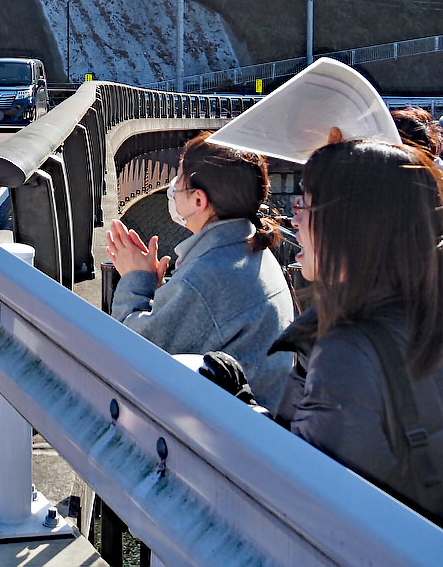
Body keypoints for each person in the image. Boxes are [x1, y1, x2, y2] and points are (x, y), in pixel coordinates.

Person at [269, 138, 443, 521]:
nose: (293, 217)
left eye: (306, 203)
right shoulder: (422, 315)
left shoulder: (348, 354)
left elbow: (301, 505)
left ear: (352, 224)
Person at [107, 132, 295, 410]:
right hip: (258, 427)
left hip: (232, 440)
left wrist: (136, 280)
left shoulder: (212, 273)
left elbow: (133, 354)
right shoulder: (248, 248)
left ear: (198, 200)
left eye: (180, 177)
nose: (173, 186)